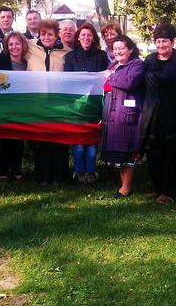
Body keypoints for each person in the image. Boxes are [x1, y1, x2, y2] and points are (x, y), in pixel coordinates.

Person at [140, 22, 176, 204]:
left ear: (172, 42)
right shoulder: (149, 61)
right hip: (151, 113)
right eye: (158, 41)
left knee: (171, 153)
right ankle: (157, 187)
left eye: (165, 41)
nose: (161, 45)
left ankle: (171, 191)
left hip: (172, 113)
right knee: (153, 151)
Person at [25, 19, 72, 184]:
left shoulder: (67, 51)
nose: (46, 37)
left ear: (56, 35)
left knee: (59, 140)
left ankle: (60, 175)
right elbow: (11, 47)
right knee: (41, 140)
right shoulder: (29, 47)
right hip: (37, 102)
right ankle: (43, 176)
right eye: (43, 33)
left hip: (58, 103)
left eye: (50, 34)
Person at [64, 22, 109, 184]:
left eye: (89, 35)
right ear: (78, 38)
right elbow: (66, 81)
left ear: (93, 38)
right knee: (78, 140)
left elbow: (106, 78)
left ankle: (91, 172)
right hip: (76, 104)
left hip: (94, 104)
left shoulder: (101, 56)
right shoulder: (70, 57)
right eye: (83, 35)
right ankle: (79, 172)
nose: (86, 37)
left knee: (90, 140)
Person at [102, 35, 144, 198]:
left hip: (127, 114)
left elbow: (129, 83)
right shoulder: (113, 65)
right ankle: (122, 185)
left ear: (130, 49)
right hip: (113, 112)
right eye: (115, 48)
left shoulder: (137, 65)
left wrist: (110, 77)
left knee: (127, 151)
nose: (118, 51)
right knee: (118, 151)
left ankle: (126, 188)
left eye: (121, 48)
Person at [0, 31, 29, 180]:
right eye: (11, 44)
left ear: (23, 45)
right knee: (5, 138)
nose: (14, 47)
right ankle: (3, 170)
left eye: (17, 43)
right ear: (7, 47)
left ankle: (17, 170)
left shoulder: (28, 62)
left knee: (18, 138)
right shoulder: (1, 60)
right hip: (5, 104)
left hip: (22, 105)